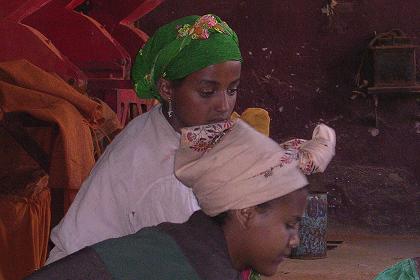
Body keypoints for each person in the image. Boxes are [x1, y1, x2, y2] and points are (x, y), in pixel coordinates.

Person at [26, 119, 336, 279]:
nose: (295, 240)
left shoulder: (192, 237)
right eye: (289, 224)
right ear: (245, 212)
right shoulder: (198, 266)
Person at [46, 14, 243, 264]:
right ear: (166, 89)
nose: (224, 106)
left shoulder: (164, 125)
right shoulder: (165, 179)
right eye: (207, 92)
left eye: (232, 90)